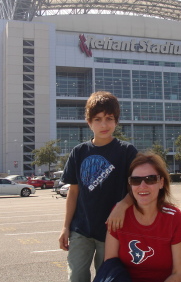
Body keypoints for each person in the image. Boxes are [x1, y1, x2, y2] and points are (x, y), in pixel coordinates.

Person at [59, 91, 138, 282]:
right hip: (81, 230)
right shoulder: (79, 152)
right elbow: (73, 192)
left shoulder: (126, 151)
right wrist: (65, 227)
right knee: (76, 276)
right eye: (98, 119)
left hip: (112, 231)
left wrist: (122, 205)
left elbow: (136, 188)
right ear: (89, 122)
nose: (104, 124)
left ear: (116, 121)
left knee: (107, 278)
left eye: (109, 118)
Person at [99, 152, 181, 282]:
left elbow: (178, 273)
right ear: (130, 184)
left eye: (150, 179)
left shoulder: (175, 220)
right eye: (136, 180)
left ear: (161, 183)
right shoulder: (118, 215)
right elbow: (110, 264)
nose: (142, 186)